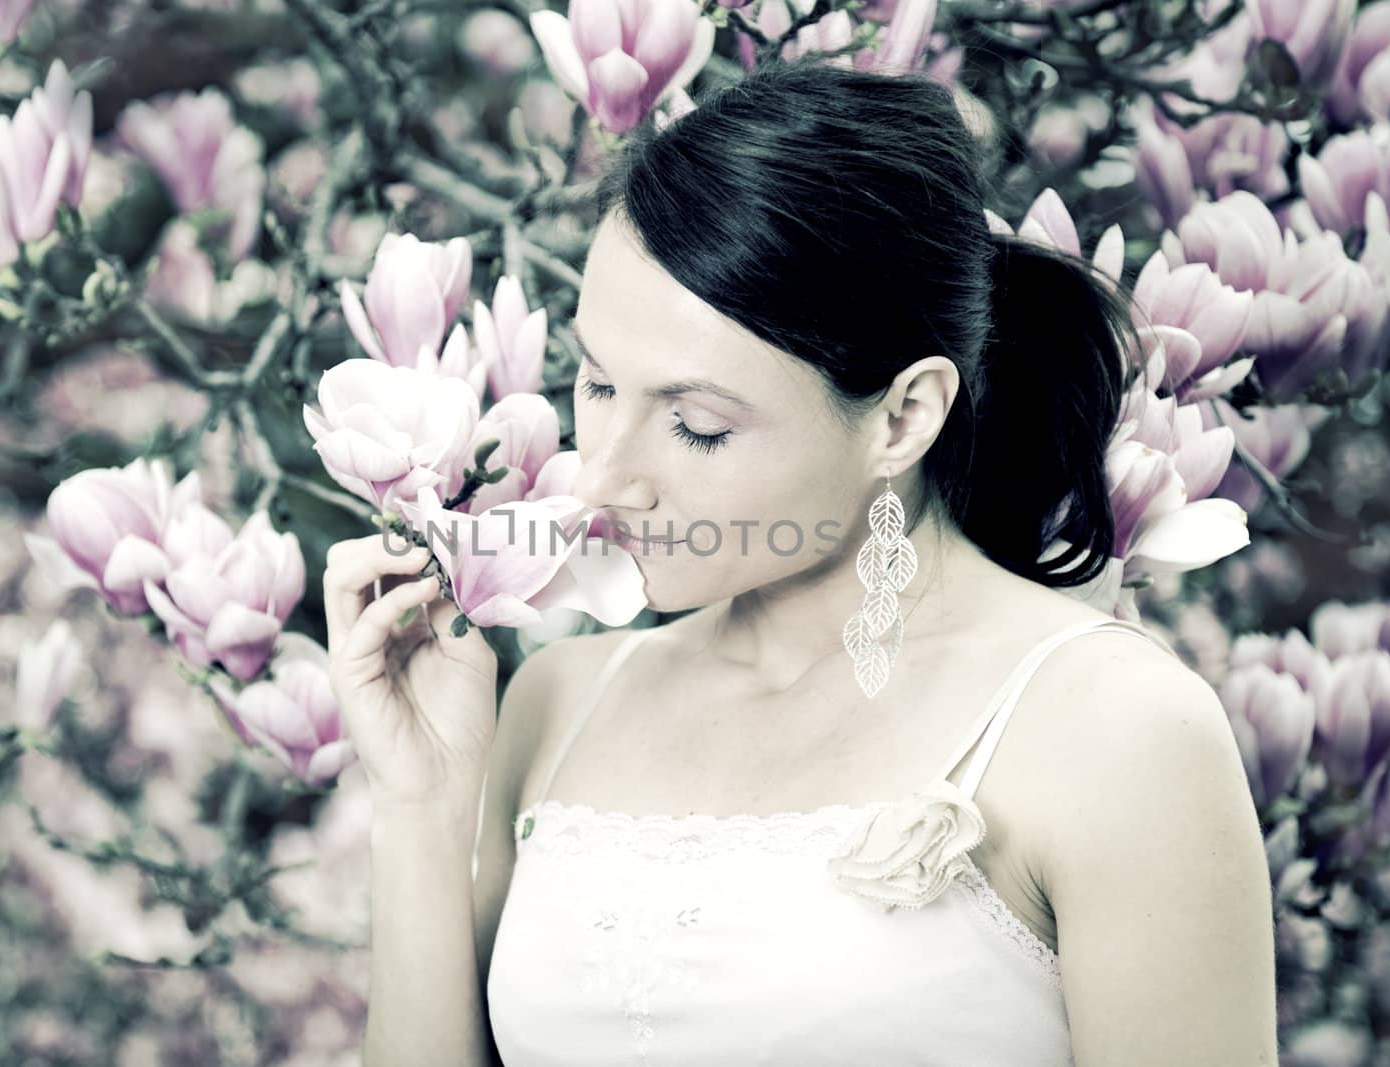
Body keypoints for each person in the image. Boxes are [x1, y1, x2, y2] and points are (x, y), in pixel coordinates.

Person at [325, 62, 1278, 1066]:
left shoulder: (1112, 728)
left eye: (694, 424)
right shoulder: (560, 698)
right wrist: (423, 804)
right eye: (596, 384)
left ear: (903, 414)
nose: (601, 477)